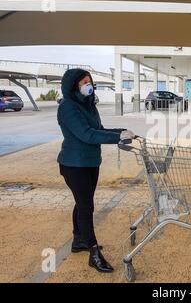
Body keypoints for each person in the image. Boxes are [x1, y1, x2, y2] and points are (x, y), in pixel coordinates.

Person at [57, 69, 136, 273]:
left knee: (82, 202)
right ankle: (93, 253)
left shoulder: (89, 105)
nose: (88, 84)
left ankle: (78, 241)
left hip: (91, 162)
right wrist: (117, 138)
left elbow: (99, 128)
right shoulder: (68, 107)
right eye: (83, 81)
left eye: (89, 81)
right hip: (74, 164)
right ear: (73, 85)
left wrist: (121, 131)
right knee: (86, 206)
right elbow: (86, 135)